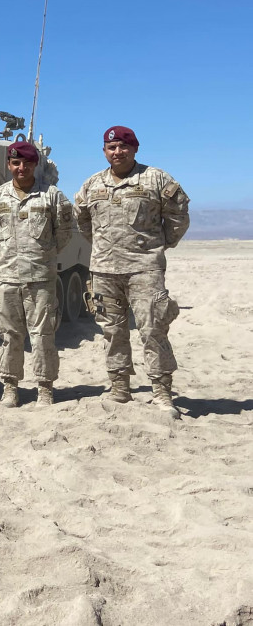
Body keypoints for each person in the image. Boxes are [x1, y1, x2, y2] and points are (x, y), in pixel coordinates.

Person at [74, 125, 190, 418]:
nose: (117, 152)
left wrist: (159, 245)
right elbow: (82, 220)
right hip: (104, 271)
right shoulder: (92, 185)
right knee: (112, 332)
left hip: (144, 269)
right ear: (104, 151)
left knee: (153, 330)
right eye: (111, 147)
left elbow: (178, 215)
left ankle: (162, 391)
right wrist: (103, 246)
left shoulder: (155, 179)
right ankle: (119, 388)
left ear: (135, 149)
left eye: (124, 146)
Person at [0, 141, 72, 407]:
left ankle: (45, 387)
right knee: (9, 334)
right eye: (16, 163)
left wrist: (41, 255)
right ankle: (10, 386)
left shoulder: (52, 196)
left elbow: (63, 234)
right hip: (7, 278)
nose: (22, 168)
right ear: (9, 165)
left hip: (41, 278)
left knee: (43, 334)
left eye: (27, 163)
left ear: (35, 164)